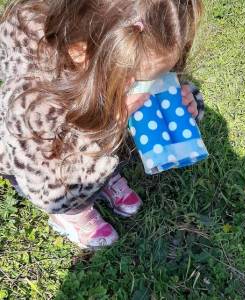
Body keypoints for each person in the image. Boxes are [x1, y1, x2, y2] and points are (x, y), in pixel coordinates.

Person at [0, 0, 204, 249]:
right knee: (71, 199)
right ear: (80, 53)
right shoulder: (34, 102)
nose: (145, 90)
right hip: (54, 168)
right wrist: (106, 133)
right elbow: (49, 189)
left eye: (158, 77)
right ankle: (73, 217)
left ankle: (106, 177)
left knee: (109, 153)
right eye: (138, 81)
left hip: (92, 143)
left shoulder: (118, 41)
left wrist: (187, 102)